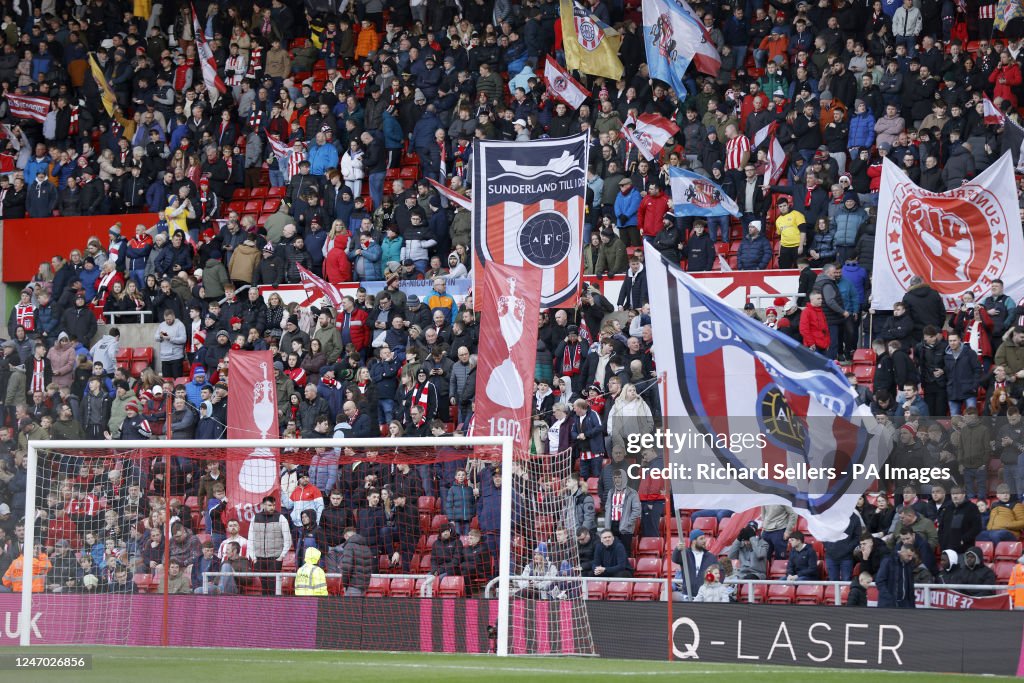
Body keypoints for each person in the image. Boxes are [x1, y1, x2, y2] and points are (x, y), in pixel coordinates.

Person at [246, 495, 292, 595]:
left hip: (275, 558)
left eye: (274, 505)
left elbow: (288, 540)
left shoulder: (281, 518)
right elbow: (250, 539)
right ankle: (265, 608)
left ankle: (273, 608)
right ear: (263, 505)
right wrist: (253, 558)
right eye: (270, 505)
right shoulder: (255, 518)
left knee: (272, 587)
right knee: (264, 587)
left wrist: (281, 556)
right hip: (259, 558)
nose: (272, 508)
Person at [603, 469, 640, 554]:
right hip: (612, 525)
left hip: (625, 526)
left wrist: (628, 523)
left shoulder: (632, 493)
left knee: (625, 551)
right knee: (612, 551)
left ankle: (626, 567)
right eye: (615, 477)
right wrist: (607, 525)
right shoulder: (611, 492)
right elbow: (608, 507)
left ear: (624, 478)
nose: (617, 480)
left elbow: (637, 510)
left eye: (619, 477)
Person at [340, 527, 373, 596]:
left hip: (353, 585)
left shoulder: (349, 546)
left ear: (345, 536)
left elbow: (346, 567)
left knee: (351, 606)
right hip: (364, 586)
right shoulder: (366, 547)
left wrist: (344, 584)